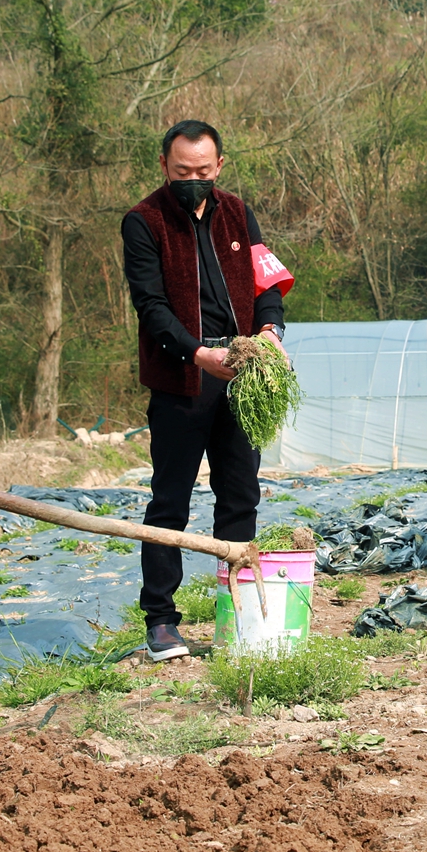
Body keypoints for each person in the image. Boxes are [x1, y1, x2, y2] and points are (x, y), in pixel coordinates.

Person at [122, 120, 286, 661]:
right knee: (169, 500)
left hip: (242, 371)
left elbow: (267, 283)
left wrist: (269, 332)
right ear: (165, 168)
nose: (193, 179)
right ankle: (161, 621)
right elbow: (152, 308)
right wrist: (197, 354)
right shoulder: (144, 222)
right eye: (181, 171)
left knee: (241, 493)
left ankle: (237, 616)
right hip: (184, 377)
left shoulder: (237, 212)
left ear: (219, 166)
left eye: (202, 170)